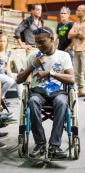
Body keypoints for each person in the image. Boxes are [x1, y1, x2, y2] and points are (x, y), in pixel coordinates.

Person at [16, 27, 75, 158]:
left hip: (58, 92)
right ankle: (40, 143)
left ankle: (54, 146)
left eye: (42, 42)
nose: (39, 45)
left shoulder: (63, 56)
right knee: (32, 101)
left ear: (52, 40)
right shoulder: (33, 57)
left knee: (62, 102)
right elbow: (19, 79)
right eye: (37, 42)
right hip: (38, 92)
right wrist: (33, 66)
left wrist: (50, 73)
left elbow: (71, 79)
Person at [0, 34, 23, 102]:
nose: (3, 43)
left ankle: (21, 99)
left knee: (19, 77)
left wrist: (11, 76)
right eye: (1, 41)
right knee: (10, 81)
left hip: (5, 73)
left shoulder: (8, 53)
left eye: (4, 41)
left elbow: (8, 68)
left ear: (7, 42)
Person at [68, 5, 85, 98]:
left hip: (84, 49)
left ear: (83, 12)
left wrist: (76, 34)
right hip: (76, 49)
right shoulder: (76, 24)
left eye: (79, 10)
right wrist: (78, 33)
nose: (77, 12)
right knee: (77, 72)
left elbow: (83, 36)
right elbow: (69, 35)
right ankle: (81, 90)